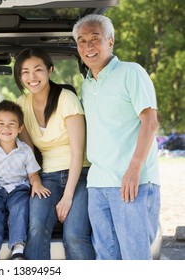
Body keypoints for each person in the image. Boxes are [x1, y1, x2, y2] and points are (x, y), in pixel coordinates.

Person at [73, 14, 161, 260]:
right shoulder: (87, 85)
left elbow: (150, 121)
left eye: (95, 39)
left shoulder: (132, 72)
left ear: (110, 41)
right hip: (98, 184)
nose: (88, 46)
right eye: (82, 41)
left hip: (133, 183)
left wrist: (134, 169)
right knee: (106, 257)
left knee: (135, 259)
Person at [14, 47, 95, 260]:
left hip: (80, 176)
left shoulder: (67, 98)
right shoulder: (21, 104)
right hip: (47, 177)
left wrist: (67, 197)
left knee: (75, 235)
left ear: (50, 70)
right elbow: (28, 152)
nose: (32, 77)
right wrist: (34, 180)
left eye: (38, 70)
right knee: (36, 229)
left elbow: (78, 152)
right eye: (25, 72)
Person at [0, 100, 50, 260]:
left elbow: (33, 174)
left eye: (11, 124)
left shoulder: (25, 151)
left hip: (18, 189)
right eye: (1, 124)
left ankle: (18, 249)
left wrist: (36, 183)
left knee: (21, 209)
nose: (6, 128)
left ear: (20, 128)